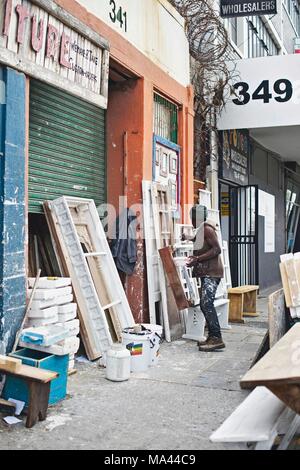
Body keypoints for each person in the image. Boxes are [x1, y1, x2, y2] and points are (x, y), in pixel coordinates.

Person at [183, 205, 225, 352]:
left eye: (192, 218)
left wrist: (197, 258)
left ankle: (216, 338)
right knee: (205, 304)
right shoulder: (201, 229)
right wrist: (189, 238)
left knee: (207, 304)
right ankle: (212, 336)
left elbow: (217, 249)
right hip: (207, 272)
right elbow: (200, 240)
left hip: (212, 273)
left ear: (197, 217)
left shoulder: (207, 229)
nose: (191, 221)